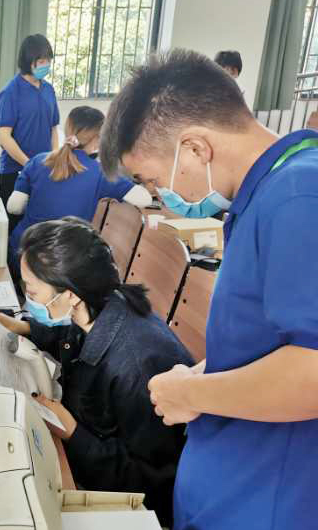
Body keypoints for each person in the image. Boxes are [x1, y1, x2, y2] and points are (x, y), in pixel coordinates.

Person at [101, 49, 318, 530]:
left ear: (196, 149)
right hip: (232, 481)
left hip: (267, 500)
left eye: (154, 182)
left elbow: (313, 370)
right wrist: (202, 374)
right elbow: (269, 338)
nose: (160, 197)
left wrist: (195, 394)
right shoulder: (264, 194)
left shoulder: (300, 196)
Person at [0, 218, 191, 526]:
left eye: (31, 292)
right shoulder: (100, 305)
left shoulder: (137, 367)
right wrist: (25, 328)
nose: (28, 299)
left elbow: (153, 481)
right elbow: (71, 337)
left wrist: (72, 431)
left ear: (70, 295)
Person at [6, 105, 151, 258]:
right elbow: (144, 199)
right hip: (63, 259)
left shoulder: (37, 161)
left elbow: (14, 207)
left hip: (22, 250)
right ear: (98, 139)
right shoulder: (100, 172)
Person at [0, 33, 60, 234]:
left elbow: (53, 128)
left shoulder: (49, 90)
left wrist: (55, 157)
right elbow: (4, 137)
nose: (46, 65)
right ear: (28, 61)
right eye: (41, 61)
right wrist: (29, 164)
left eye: (48, 60)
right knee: (13, 230)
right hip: (14, 172)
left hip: (44, 172)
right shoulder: (11, 92)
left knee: (39, 230)